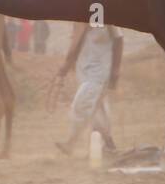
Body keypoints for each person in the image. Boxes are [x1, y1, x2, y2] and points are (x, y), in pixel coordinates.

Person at [52, 22, 122, 156]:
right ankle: (109, 144)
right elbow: (75, 44)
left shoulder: (105, 13)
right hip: (84, 71)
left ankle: (71, 143)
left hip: (100, 71)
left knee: (81, 105)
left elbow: (119, 39)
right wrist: (68, 65)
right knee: (97, 109)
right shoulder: (78, 18)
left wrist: (116, 69)